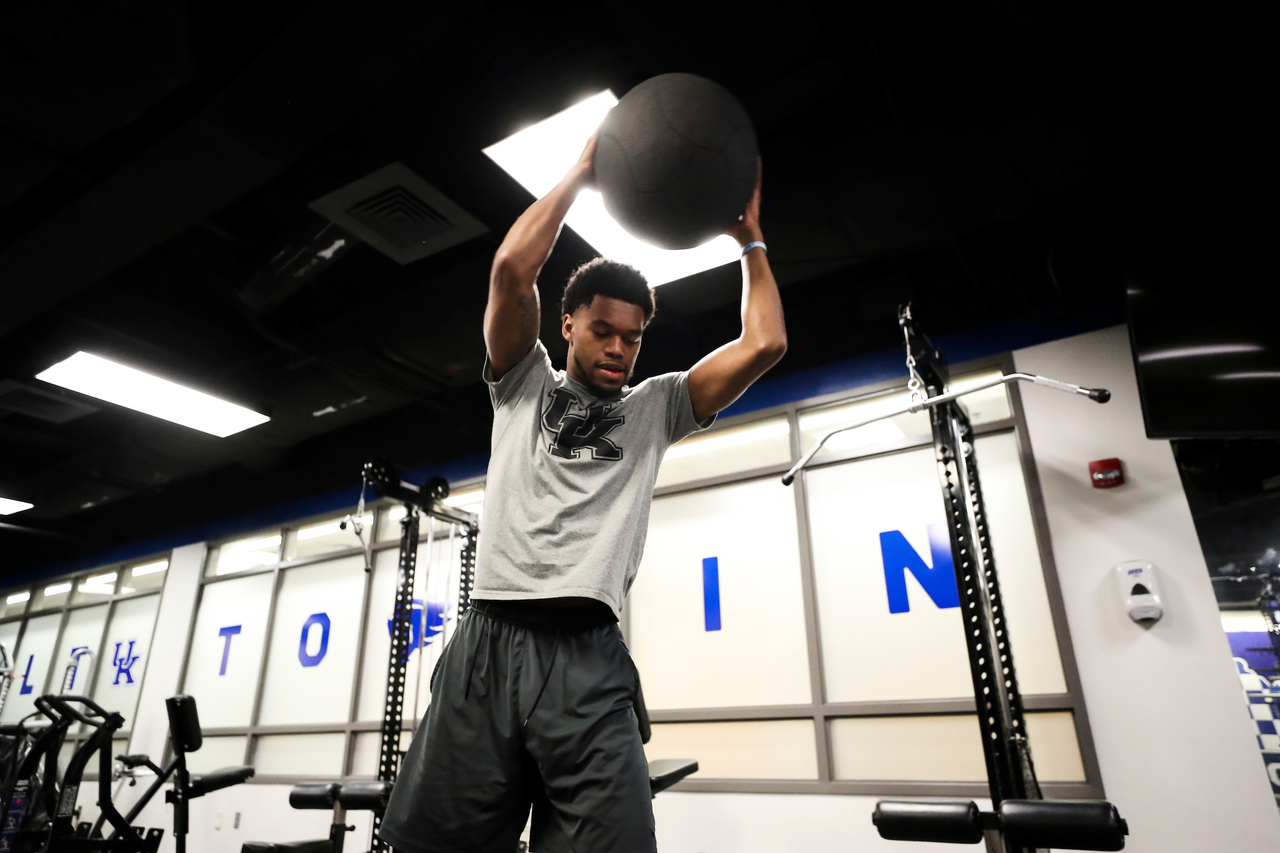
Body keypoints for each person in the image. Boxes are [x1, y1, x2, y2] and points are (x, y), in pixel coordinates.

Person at [379, 134, 787, 853]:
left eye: (632, 338)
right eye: (602, 330)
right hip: (489, 647)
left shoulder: (656, 408)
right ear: (568, 325)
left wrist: (751, 242)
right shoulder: (520, 383)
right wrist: (580, 175)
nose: (618, 349)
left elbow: (765, 345)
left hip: (589, 659)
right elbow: (511, 269)